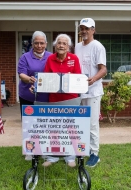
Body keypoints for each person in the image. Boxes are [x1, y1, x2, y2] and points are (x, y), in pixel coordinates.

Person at [31, 34, 82, 167]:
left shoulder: (74, 59)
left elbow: (78, 79)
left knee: (71, 128)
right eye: (59, 43)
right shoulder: (50, 59)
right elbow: (45, 78)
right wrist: (36, 87)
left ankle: (70, 157)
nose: (61, 45)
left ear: (68, 47)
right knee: (54, 129)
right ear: (55, 45)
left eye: (64, 43)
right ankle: (52, 157)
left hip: (71, 99)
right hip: (53, 99)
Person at [75, 18, 107, 167]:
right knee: (81, 123)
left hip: (93, 92)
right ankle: (83, 150)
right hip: (79, 92)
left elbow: (103, 69)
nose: (84, 31)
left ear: (93, 30)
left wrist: (93, 79)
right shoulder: (77, 47)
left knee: (92, 124)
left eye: (87, 28)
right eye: (82, 28)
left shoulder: (97, 46)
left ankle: (95, 153)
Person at [18, 31, 52, 160]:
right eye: (36, 43)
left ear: (46, 44)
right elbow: (22, 74)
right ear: (32, 44)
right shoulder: (25, 57)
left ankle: (43, 150)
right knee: (29, 124)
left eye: (41, 43)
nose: (39, 45)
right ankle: (30, 151)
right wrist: (29, 79)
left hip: (45, 98)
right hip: (28, 97)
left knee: (43, 124)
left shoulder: (51, 57)